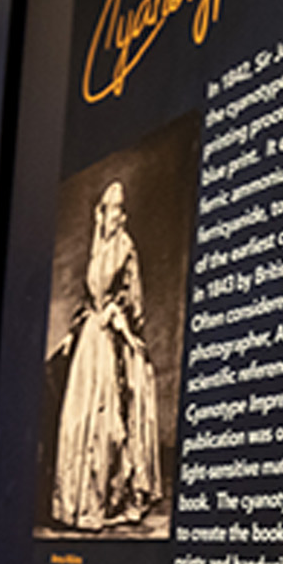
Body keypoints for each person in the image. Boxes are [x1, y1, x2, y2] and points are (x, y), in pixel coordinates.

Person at [51, 180, 162, 529]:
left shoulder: (125, 247)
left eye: (115, 209)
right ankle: (74, 503)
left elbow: (134, 296)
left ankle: (106, 497)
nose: (109, 215)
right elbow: (88, 298)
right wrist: (72, 332)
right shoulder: (96, 248)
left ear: (123, 216)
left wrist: (120, 316)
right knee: (77, 419)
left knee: (108, 419)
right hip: (89, 339)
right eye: (105, 208)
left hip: (111, 336)